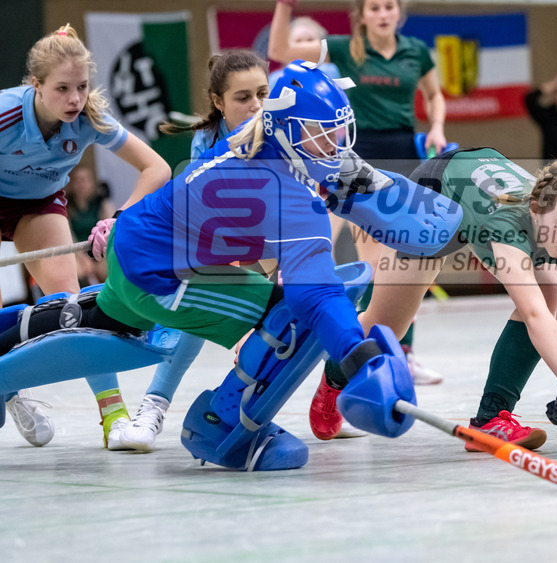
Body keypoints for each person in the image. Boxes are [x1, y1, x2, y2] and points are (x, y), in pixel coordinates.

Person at [0, 61, 433, 470]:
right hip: (161, 276)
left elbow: (336, 189)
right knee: (286, 317)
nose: (335, 143)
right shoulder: (284, 189)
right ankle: (224, 427)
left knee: (94, 323)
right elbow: (314, 293)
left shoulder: (255, 142)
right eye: (321, 132)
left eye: (339, 130)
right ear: (288, 130)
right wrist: (359, 357)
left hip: (135, 247)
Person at [311, 147, 557, 451]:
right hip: (436, 193)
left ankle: (491, 417)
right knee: (387, 327)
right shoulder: (507, 225)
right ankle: (333, 378)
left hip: (480, 197)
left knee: (550, 289)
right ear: (535, 208)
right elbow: (535, 316)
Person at [268, 0, 448, 398]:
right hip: (355, 160)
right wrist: (285, 2)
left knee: (409, 258)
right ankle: (350, 345)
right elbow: (278, 49)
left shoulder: (416, 53)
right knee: (365, 260)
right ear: (362, 15)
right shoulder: (346, 49)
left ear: (398, 14)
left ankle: (400, 352)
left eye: (389, 7)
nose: (383, 13)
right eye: (374, 7)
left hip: (406, 156)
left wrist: (437, 126)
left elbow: (434, 93)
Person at [0, 24, 171, 449]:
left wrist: (118, 218)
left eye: (82, 86)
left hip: (36, 206)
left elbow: (158, 169)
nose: (75, 99)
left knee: (69, 307)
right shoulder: (5, 114)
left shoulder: (91, 118)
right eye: (62, 88)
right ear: (36, 85)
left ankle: (113, 416)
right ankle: (10, 390)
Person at [114, 50, 271, 451]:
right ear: (218, 102)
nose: (255, 105)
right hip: (194, 249)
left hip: (264, 244)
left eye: (262, 94)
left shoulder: (279, 139)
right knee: (171, 316)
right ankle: (151, 406)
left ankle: (333, 392)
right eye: (242, 97)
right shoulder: (208, 143)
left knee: (300, 309)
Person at [66, 166, 115, 286]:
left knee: (109, 268)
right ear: (71, 184)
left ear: (93, 182)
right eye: (77, 180)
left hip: (101, 252)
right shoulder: (66, 208)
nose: (81, 184)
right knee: (77, 271)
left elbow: (111, 231)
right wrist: (81, 257)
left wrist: (101, 257)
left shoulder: (103, 204)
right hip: (77, 253)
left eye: (85, 180)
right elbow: (68, 237)